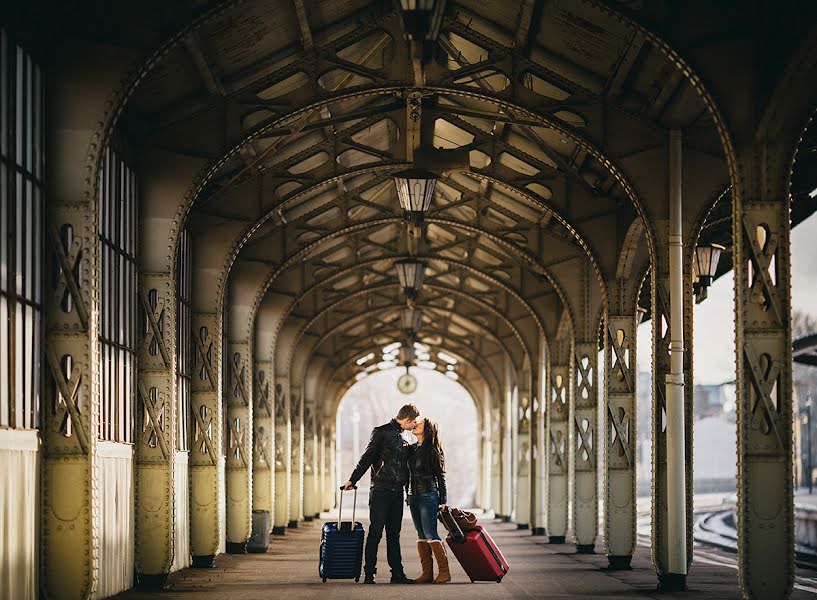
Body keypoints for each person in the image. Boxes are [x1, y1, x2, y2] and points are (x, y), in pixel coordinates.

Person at [343, 403, 420, 584]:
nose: (415, 425)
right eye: (414, 422)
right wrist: (353, 480)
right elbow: (367, 457)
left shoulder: (407, 438)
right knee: (375, 533)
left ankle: (397, 574)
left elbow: (408, 469)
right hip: (380, 490)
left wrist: (408, 492)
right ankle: (369, 573)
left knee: (394, 535)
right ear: (407, 419)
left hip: (397, 493)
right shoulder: (381, 432)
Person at [407, 418, 451, 584]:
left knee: (431, 533)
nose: (415, 424)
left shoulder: (432, 450)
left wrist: (443, 500)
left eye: (419, 423)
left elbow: (441, 476)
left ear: (427, 430)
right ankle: (427, 574)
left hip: (428, 496)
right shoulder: (411, 449)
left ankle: (444, 573)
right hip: (413, 497)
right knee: (421, 535)